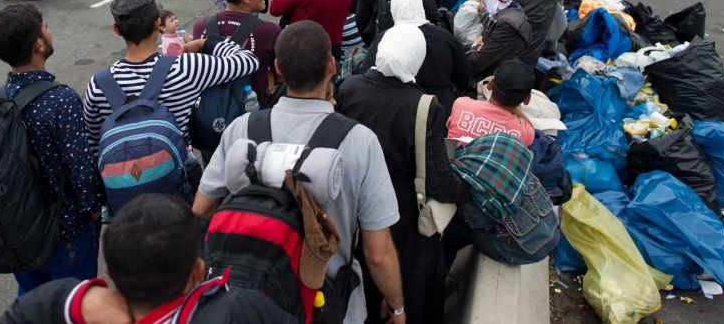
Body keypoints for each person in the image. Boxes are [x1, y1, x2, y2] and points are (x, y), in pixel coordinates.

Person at [193, 21, 406, 324]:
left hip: (251, 297)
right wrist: (396, 306)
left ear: (278, 68)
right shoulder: (360, 141)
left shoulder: (242, 129)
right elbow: (378, 252)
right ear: (332, 66)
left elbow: (201, 207)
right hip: (326, 301)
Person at [338, 24, 470, 324]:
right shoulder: (423, 106)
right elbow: (437, 179)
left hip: (354, 209)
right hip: (402, 218)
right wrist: (466, 189)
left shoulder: (350, 88)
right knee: (410, 292)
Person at [0, 194, 297, 324]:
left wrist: (74, 300)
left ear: (110, 273)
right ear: (198, 268)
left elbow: (18, 317)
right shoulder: (240, 309)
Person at [0, 3, 103, 295]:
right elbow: (81, 171)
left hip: (20, 228)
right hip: (65, 230)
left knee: (32, 299)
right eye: (45, 26)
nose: (50, 30)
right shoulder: (61, 100)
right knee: (73, 301)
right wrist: (93, 210)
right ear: (38, 44)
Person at [83, 0, 259, 150]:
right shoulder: (187, 68)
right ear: (157, 23)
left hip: (120, 180)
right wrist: (206, 43)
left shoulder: (99, 83)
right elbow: (249, 61)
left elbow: (93, 142)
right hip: (175, 172)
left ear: (116, 30)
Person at [360, 0, 468, 116]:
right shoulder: (444, 37)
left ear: (393, 8)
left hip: (399, 108)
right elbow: (463, 74)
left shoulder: (385, 39)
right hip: (441, 106)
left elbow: (367, 74)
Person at [192, 0, 281, 102]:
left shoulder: (200, 26)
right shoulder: (270, 32)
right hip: (251, 115)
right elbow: (281, 73)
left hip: (207, 113)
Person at [446, 58, 537, 147]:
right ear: (527, 99)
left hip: (450, 161)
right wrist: (515, 107)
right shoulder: (525, 133)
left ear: (490, 84)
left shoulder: (461, 104)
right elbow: (531, 130)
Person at [467, 0, 532, 80]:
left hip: (497, 79)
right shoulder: (513, 8)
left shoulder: (506, 25)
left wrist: (474, 47)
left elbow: (477, 63)